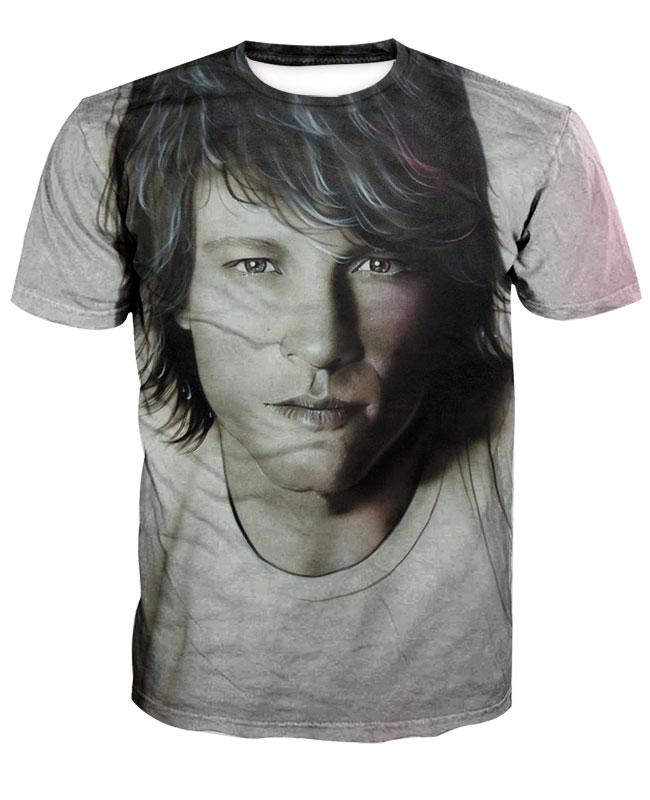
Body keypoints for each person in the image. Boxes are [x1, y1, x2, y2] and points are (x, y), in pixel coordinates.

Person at [104, 50, 514, 578]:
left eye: (379, 264)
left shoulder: (525, 131)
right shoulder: (102, 132)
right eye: (255, 266)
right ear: (175, 286)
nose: (322, 346)